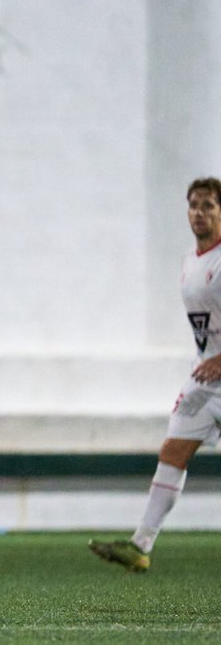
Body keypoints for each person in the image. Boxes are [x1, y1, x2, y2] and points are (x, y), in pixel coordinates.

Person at [91, 177, 221, 573]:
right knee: (173, 451)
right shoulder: (191, 261)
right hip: (206, 380)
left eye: (209, 205)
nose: (199, 213)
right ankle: (140, 545)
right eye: (194, 205)